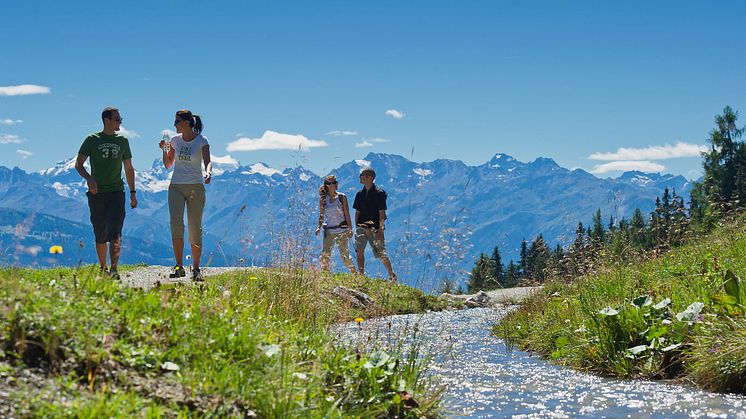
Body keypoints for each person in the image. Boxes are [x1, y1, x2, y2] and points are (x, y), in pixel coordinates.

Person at [75, 106, 137, 279]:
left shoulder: (123, 141)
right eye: (117, 119)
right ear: (107, 120)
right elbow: (78, 164)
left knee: (116, 231)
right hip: (97, 193)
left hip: (117, 191)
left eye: (120, 119)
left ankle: (114, 269)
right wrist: (89, 178)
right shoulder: (91, 139)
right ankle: (103, 269)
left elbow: (129, 168)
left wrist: (132, 192)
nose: (120, 122)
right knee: (100, 231)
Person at [159, 109, 212, 281]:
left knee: (194, 225)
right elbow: (168, 164)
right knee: (176, 223)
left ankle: (196, 269)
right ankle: (179, 266)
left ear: (187, 123)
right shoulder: (174, 141)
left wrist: (208, 173)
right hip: (175, 186)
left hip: (195, 187)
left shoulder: (202, 141)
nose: (174, 125)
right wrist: (164, 150)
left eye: (177, 121)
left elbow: (207, 161)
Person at [353, 168, 397, 281]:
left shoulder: (379, 193)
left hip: (375, 229)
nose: (360, 177)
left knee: (381, 253)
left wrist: (380, 230)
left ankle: (391, 275)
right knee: (359, 250)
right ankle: (361, 275)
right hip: (361, 227)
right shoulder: (359, 194)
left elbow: (381, 213)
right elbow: (357, 212)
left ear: (369, 177)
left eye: (362, 175)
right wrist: (357, 226)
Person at [315, 175, 356, 273]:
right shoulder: (323, 200)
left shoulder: (342, 197)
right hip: (329, 231)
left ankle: (355, 274)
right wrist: (318, 227)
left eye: (336, 182)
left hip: (342, 230)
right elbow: (321, 215)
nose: (336, 184)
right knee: (325, 255)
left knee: (345, 256)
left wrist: (350, 229)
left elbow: (347, 214)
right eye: (333, 183)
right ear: (327, 186)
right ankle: (325, 275)